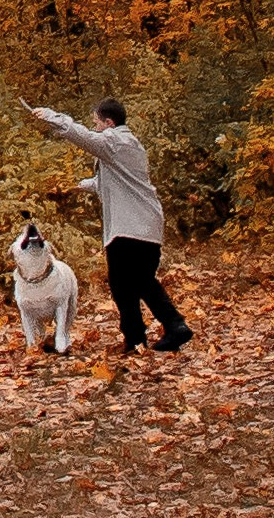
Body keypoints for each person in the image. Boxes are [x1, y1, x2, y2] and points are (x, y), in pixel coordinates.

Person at [21, 95, 192, 355]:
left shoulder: (116, 141)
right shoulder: (127, 146)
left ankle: (161, 330)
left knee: (126, 285)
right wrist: (79, 186)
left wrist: (52, 117)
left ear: (109, 123)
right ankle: (146, 335)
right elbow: (113, 182)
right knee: (138, 282)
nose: (95, 127)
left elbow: (85, 138)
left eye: (96, 122)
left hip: (129, 227)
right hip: (144, 225)